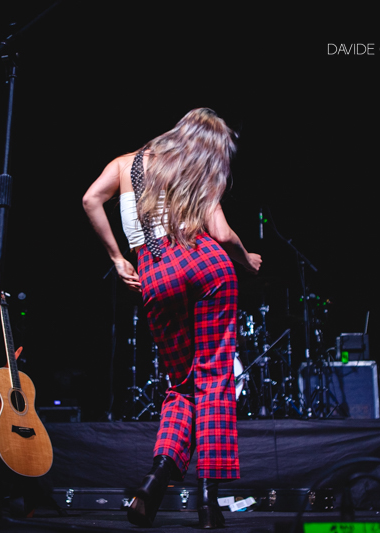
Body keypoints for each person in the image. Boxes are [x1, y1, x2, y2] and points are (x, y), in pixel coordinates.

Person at [83, 108, 262, 528]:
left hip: (155, 274)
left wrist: (118, 259)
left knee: (181, 386)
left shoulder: (125, 163)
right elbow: (222, 234)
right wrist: (247, 260)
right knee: (214, 379)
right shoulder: (196, 167)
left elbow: (90, 200)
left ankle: (156, 478)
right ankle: (208, 503)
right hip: (205, 264)